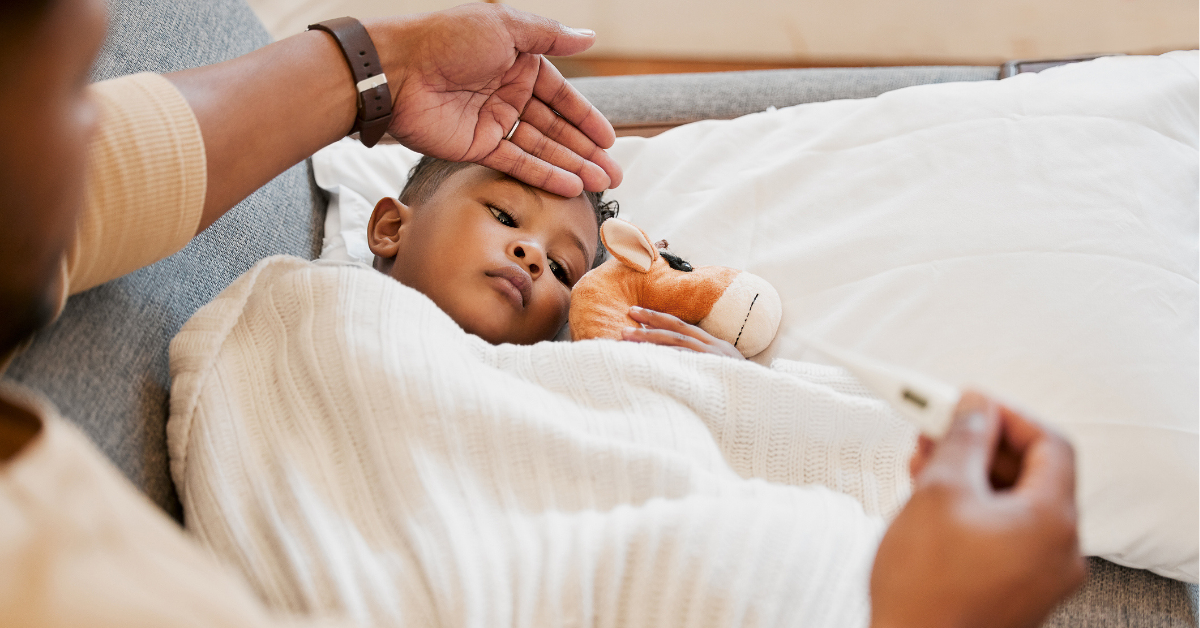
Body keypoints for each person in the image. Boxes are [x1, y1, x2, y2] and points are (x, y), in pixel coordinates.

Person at [0, 0, 1084, 626]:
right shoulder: (307, 319)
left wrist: (386, 65)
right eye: (70, 87)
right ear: (382, 229)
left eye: (566, 265)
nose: (534, 253)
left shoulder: (565, 362)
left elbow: (641, 434)